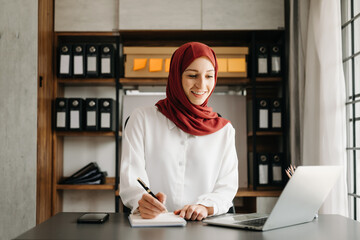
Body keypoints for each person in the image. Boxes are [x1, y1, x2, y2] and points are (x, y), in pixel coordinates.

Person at [120, 42, 238, 221]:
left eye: (209, 76)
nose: (202, 85)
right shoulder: (142, 119)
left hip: (203, 229)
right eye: (192, 75)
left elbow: (226, 188)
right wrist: (141, 202)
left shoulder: (224, 131)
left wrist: (204, 207)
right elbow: (131, 180)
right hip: (153, 226)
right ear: (176, 76)